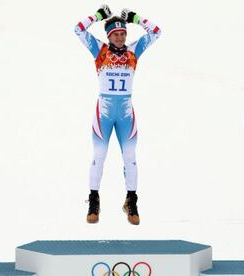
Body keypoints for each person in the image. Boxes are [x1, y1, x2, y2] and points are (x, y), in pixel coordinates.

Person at [74, 5, 161, 225]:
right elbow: (78, 29)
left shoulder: (134, 50)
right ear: (109, 36)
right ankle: (94, 200)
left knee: (130, 158)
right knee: (99, 156)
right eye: (116, 34)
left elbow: (156, 31)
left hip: (125, 113)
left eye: (123, 33)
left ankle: (131, 200)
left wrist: (135, 18)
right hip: (103, 112)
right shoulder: (100, 50)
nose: (121, 38)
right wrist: (98, 15)